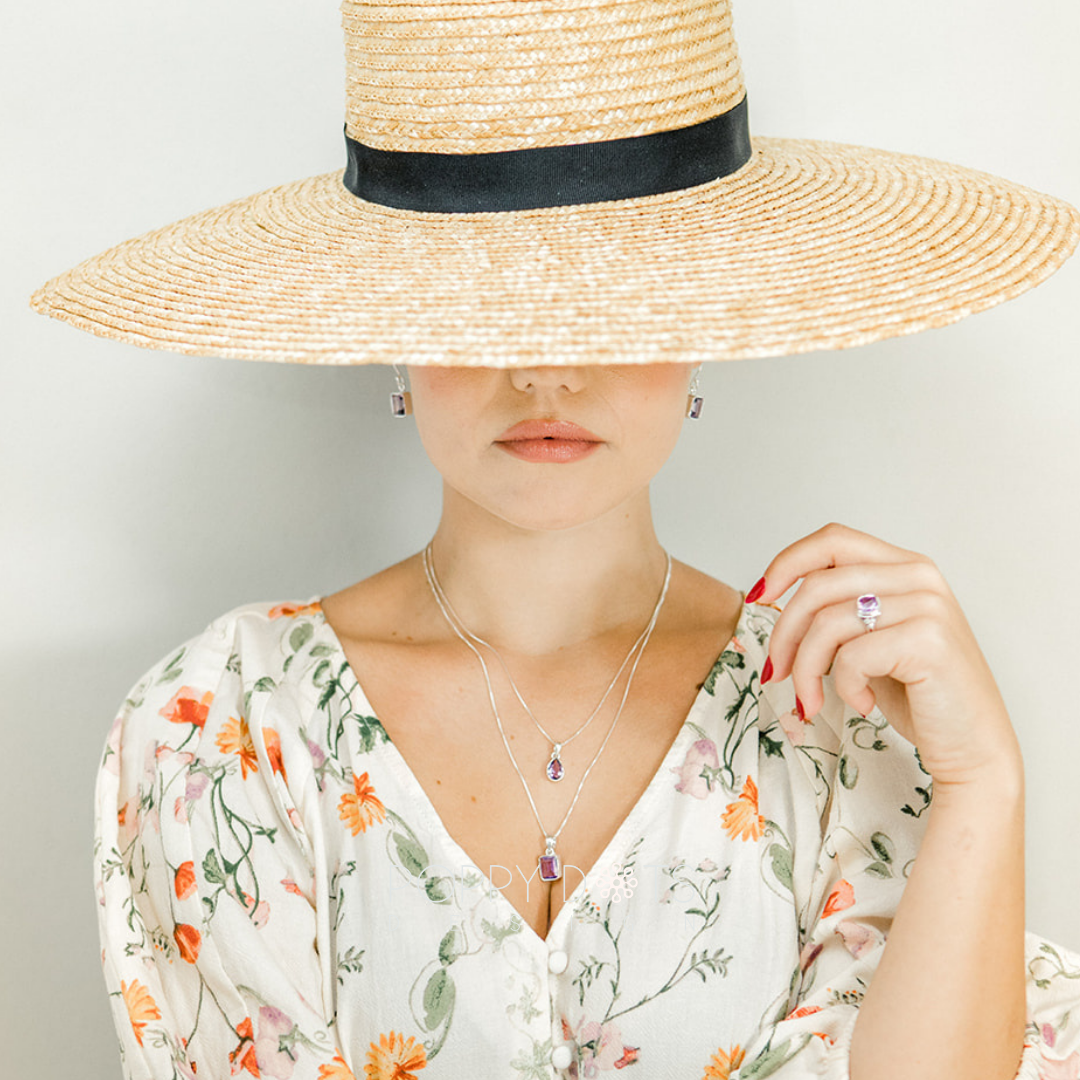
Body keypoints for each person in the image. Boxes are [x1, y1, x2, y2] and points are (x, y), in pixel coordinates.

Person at [35, 1, 1080, 1078]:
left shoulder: (832, 712)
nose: (545, 371)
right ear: (386, 322)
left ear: (705, 317)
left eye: (605, 297)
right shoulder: (227, 727)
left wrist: (982, 782)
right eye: (478, 298)